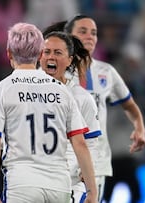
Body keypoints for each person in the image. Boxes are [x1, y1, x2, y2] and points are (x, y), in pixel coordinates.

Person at [0, 22, 97, 203]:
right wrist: (92, 192)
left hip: (22, 183)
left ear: (9, 53)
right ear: (41, 53)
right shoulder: (62, 90)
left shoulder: (2, 90)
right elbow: (80, 144)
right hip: (59, 185)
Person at [63, 14, 145, 202]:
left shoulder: (106, 72)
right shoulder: (57, 72)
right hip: (65, 160)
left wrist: (139, 127)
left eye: (93, 33)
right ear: (68, 37)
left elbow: (129, 105)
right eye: (82, 31)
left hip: (97, 161)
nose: (89, 36)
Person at [40, 30, 102, 202]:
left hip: (70, 183)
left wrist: (89, 176)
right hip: (35, 181)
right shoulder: (24, 91)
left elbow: (91, 141)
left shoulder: (82, 98)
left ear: (70, 60)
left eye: (58, 53)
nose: (51, 57)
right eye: (47, 52)